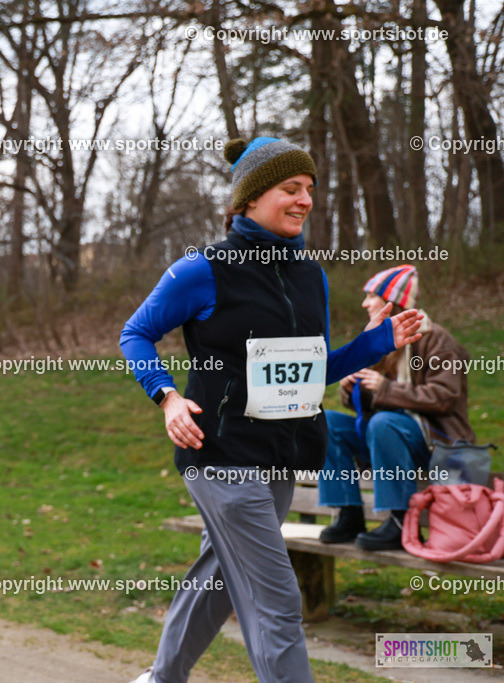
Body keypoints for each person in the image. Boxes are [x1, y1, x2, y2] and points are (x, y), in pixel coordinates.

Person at [119, 137, 423, 683]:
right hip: (218, 452)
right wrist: (166, 397)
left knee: (217, 575)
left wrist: (378, 341)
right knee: (277, 599)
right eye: (290, 188)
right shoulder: (203, 269)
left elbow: (317, 367)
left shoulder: (311, 275)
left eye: (309, 189)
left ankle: (161, 678)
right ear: (251, 198)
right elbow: (136, 333)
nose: (305, 199)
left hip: (284, 455)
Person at [317, 265, 475, 550]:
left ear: (393, 302)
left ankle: (400, 521)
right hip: (389, 436)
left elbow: (445, 397)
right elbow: (371, 404)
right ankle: (349, 512)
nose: (365, 303)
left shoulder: (439, 341)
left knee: (385, 423)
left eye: (371, 296)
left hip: (437, 444)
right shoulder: (382, 340)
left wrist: (384, 387)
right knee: (324, 421)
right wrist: (352, 387)